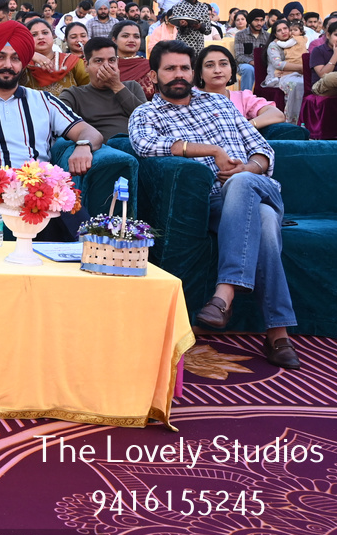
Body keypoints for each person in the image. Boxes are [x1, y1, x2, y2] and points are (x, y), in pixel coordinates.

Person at [128, 40, 298, 368]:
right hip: (216, 204)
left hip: (260, 187)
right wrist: (212, 151)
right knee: (264, 223)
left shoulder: (220, 103)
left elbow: (263, 150)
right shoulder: (146, 114)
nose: (179, 74)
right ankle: (278, 334)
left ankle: (224, 294)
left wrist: (247, 168)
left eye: (184, 68)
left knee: (242, 182)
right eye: (170, 68)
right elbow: (145, 145)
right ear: (153, 75)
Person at [0, 21, 103, 231]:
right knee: (43, 219)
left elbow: (90, 132)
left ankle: (91, 245)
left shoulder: (44, 101)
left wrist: (83, 145)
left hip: (39, 188)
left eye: (15, 58)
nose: (8, 65)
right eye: (0, 57)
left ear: (24, 63)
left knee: (73, 216)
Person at [59, 36, 147, 139]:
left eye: (111, 60)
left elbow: (147, 120)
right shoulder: (74, 95)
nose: (106, 66)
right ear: (86, 65)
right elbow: (58, 125)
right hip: (99, 147)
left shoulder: (132, 87)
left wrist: (116, 86)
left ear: (117, 63)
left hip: (137, 143)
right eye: (99, 61)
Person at [195, 44, 286, 128]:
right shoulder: (190, 97)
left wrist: (245, 126)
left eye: (223, 64)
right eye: (209, 65)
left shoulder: (242, 98)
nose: (217, 70)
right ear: (200, 73)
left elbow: (277, 114)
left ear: (232, 70)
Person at [23, 18, 90, 97]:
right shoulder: (22, 64)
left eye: (45, 33)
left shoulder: (72, 61)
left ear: (53, 36)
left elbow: (89, 88)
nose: (40, 37)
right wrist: (31, 55)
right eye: (34, 35)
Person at [264, 19, 305, 123]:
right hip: (278, 77)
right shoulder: (273, 45)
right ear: (275, 34)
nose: (283, 32)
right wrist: (301, 67)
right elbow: (278, 64)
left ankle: (306, 120)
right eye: (279, 30)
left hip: (296, 74)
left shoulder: (295, 41)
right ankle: (292, 121)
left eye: (285, 28)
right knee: (297, 84)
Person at [111, 19, 153, 97]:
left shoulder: (149, 66)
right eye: (125, 36)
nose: (131, 40)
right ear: (114, 40)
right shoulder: (108, 66)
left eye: (136, 37)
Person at [233, 9, 269, 91]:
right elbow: (239, 56)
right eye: (256, 20)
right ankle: (246, 95)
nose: (259, 23)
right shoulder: (240, 35)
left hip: (263, 64)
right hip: (244, 64)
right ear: (250, 21)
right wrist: (253, 62)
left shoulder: (267, 36)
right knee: (249, 69)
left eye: (261, 20)